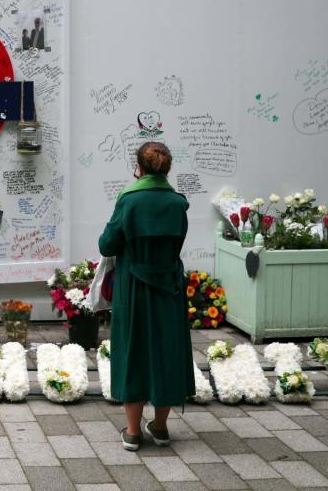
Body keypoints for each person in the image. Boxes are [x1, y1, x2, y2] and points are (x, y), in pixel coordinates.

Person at [98, 142, 194, 451]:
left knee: (133, 350)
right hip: (168, 287)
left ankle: (133, 432)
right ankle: (161, 427)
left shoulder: (130, 199)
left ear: (139, 167)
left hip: (134, 288)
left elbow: (107, 244)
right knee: (166, 351)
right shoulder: (178, 203)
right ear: (168, 168)